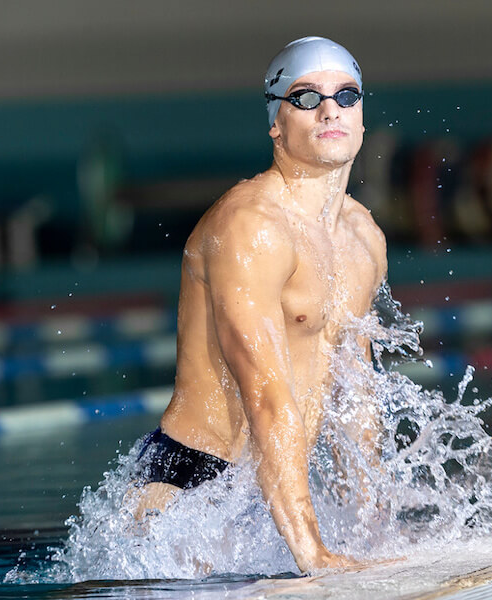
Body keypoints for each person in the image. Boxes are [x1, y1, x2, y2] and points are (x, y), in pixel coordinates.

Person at [131, 36, 389, 573]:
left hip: (267, 496)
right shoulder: (252, 227)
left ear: (363, 115)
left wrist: (372, 529)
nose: (328, 110)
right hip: (193, 495)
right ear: (276, 122)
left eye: (346, 95)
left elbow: (357, 398)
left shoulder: (363, 238)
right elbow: (267, 395)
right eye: (304, 97)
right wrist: (313, 555)